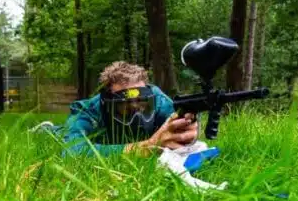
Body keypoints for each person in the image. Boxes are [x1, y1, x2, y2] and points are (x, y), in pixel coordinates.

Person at [42, 61, 199, 157]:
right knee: (60, 133)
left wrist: (187, 130)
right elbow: (72, 151)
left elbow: (180, 128)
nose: (136, 110)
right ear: (106, 102)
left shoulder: (159, 101)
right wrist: (145, 147)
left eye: (142, 102)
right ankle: (48, 129)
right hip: (100, 137)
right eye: (125, 105)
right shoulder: (90, 110)